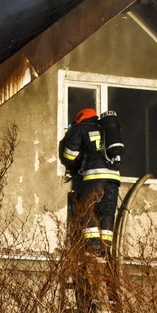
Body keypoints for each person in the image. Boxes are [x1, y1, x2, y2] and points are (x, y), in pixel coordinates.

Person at [59, 108, 124, 258]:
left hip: (94, 178)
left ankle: (92, 245)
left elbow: (69, 155)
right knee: (107, 213)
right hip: (113, 180)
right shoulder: (106, 131)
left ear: (80, 118)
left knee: (87, 209)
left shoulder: (81, 128)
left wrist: (74, 166)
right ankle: (106, 247)